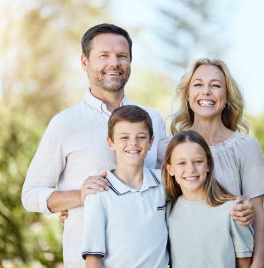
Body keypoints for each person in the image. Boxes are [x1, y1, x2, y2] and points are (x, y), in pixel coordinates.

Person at [21, 23, 166, 267]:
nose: (114, 63)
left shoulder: (152, 120)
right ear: (84, 62)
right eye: (103, 56)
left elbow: (173, 184)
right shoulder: (65, 124)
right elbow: (30, 195)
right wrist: (79, 196)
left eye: (122, 56)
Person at [158, 58, 264, 268]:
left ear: (227, 96)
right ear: (188, 95)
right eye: (198, 84)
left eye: (216, 85)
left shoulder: (245, 146)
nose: (206, 92)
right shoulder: (167, 148)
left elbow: (258, 219)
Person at [82, 105, 168, 268]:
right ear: (110, 142)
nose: (133, 143)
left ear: (151, 142)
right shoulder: (99, 193)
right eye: (124, 137)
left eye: (141, 137)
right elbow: (93, 259)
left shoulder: (164, 182)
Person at [163, 130, 254, 268]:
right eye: (182, 163)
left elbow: (244, 263)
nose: (191, 169)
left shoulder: (234, 211)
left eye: (198, 161)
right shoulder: (168, 210)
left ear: (208, 165)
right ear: (170, 169)